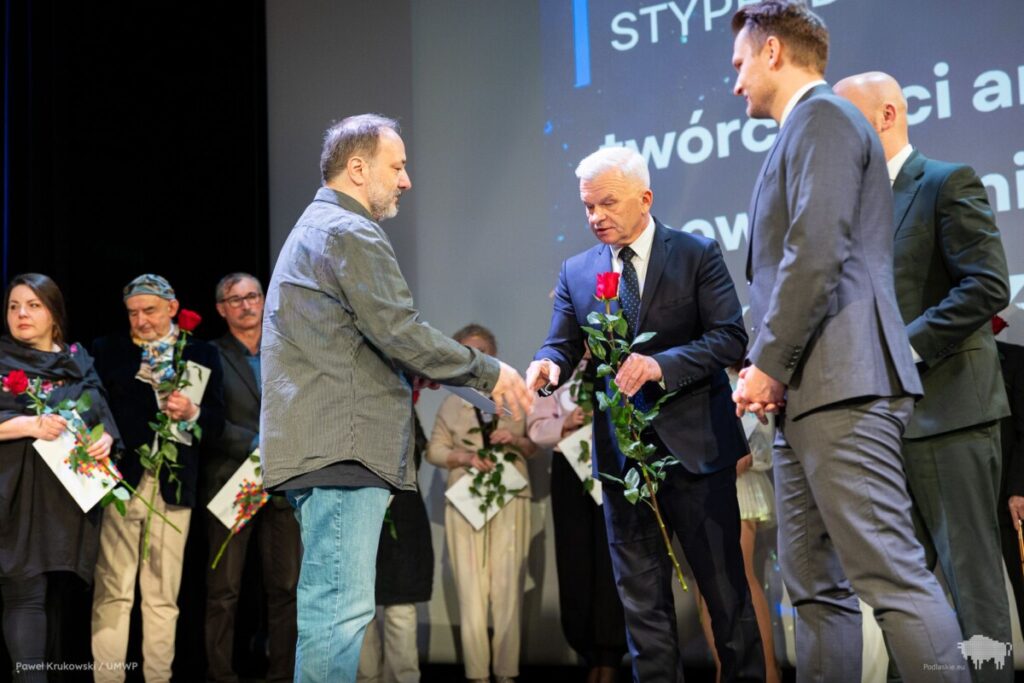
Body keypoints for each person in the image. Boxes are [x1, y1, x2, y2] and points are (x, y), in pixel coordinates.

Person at [729, 2, 966, 680]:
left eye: (740, 63)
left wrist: (768, 364)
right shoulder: (800, 130)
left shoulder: (824, 118)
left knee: (890, 575)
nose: (736, 81)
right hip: (807, 394)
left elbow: (817, 249)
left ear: (773, 51)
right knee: (812, 588)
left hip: (844, 386)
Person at [259, 113, 532, 682]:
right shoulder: (348, 230)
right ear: (358, 169)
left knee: (330, 612)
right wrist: (489, 372)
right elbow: (399, 330)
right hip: (344, 451)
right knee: (338, 616)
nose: (406, 180)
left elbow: (354, 338)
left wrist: (404, 372)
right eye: (398, 166)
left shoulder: (318, 225)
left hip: (327, 447)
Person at [527, 145, 763, 683]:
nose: (595, 217)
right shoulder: (578, 271)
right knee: (642, 609)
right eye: (588, 206)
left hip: (698, 453)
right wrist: (547, 364)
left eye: (607, 203)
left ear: (645, 198)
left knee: (726, 598)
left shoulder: (696, 253)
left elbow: (730, 337)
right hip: (623, 463)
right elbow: (562, 343)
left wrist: (661, 366)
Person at [835, 71, 1013, 681]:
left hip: (949, 416)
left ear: (886, 116)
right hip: (881, 428)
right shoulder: (851, 210)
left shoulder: (944, 181)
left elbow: (986, 285)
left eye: (846, 119)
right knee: (904, 597)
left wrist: (901, 348)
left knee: (972, 589)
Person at [91, 273, 225, 682]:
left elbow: (217, 425)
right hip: (122, 484)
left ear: (172, 307)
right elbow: (95, 412)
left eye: (149, 310)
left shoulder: (200, 354)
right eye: (133, 313)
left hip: (174, 485)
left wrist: (194, 413)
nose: (141, 320)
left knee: (162, 596)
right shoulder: (109, 350)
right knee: (113, 592)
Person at [0, 274, 120, 683]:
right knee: (25, 592)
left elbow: (101, 412)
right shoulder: (1, 358)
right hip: (15, 492)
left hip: (64, 496)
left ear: (54, 313)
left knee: (56, 595)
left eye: (33, 305)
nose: (21, 314)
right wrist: (28, 424)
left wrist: (105, 438)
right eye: (14, 306)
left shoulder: (77, 359)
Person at [426, 324, 538, 683]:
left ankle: (506, 674)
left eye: (482, 351)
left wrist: (514, 440)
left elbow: (534, 446)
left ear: (494, 355)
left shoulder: (515, 396)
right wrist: (465, 457)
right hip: (466, 502)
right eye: (466, 351)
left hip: (510, 497)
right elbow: (434, 450)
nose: (475, 358)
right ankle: (477, 675)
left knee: (508, 590)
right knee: (470, 591)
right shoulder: (452, 402)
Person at [203, 272, 300, 683]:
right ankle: (220, 674)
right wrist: (256, 442)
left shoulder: (287, 349)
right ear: (222, 309)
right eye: (236, 299)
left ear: (263, 300)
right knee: (224, 590)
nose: (246, 305)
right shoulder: (209, 354)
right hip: (232, 479)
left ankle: (282, 674)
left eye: (253, 296)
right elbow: (205, 421)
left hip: (282, 481)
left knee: (286, 587)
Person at [526, 357, 627, 683]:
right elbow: (535, 427)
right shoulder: (555, 366)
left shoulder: (618, 358)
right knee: (575, 559)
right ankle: (588, 653)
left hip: (612, 465)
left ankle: (610, 655)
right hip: (569, 466)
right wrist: (564, 423)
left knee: (611, 559)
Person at [357, 404, 434, 683]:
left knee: (401, 607)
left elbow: (416, 451)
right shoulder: (348, 400)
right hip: (358, 511)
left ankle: (403, 678)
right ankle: (366, 679)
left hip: (403, 515)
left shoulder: (400, 399)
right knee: (359, 609)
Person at [995, 318, 1024, 631]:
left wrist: (1019, 489)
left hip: (1012, 500)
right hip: (970, 504)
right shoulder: (939, 367)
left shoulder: (1015, 359)